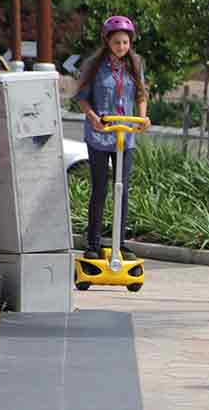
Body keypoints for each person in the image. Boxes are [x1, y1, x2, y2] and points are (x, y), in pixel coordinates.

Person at [76, 15, 151, 261]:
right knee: (100, 189)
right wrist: (93, 117)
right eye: (117, 42)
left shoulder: (135, 64)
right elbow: (83, 98)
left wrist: (143, 118)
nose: (122, 47)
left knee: (122, 190)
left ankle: (121, 243)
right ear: (107, 41)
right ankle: (93, 243)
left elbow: (141, 95)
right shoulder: (94, 65)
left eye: (126, 43)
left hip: (125, 137)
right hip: (100, 135)